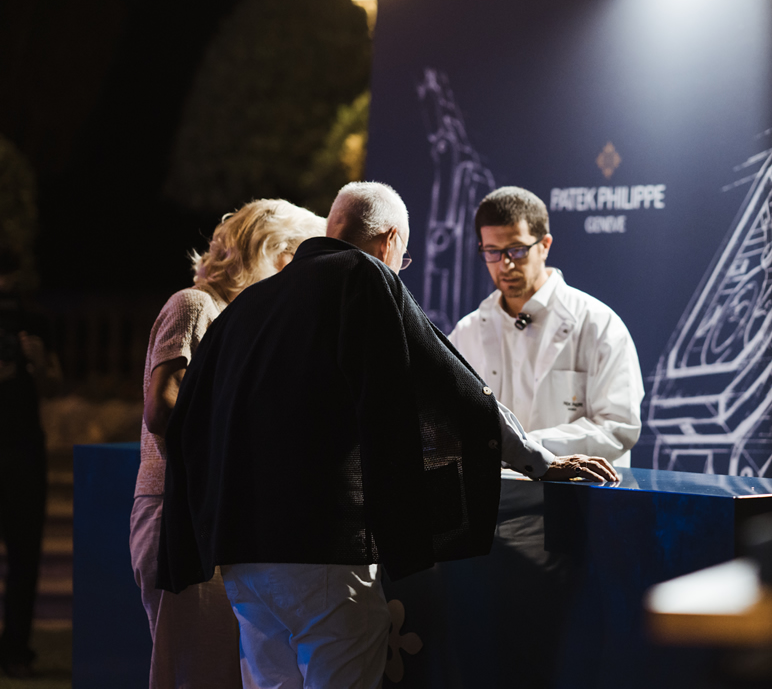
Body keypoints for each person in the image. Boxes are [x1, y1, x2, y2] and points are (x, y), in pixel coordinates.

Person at [157, 181, 616, 689]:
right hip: (324, 549)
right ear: (390, 239)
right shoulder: (364, 276)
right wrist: (539, 460)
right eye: (404, 255)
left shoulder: (248, 303)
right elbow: (450, 385)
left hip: (240, 554)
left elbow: (187, 420)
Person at [131, 199, 326, 689]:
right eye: (304, 256)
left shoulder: (248, 319)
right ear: (277, 253)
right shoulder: (197, 304)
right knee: (194, 669)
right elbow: (163, 408)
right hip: (180, 515)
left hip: (214, 515)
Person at [450, 186, 644, 467]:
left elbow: (618, 427)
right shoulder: (466, 332)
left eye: (517, 250)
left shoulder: (598, 324)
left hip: (576, 499)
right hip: (496, 500)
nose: (505, 265)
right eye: (492, 251)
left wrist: (524, 447)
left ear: (544, 246)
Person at [0, 245, 62, 678]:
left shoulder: (32, 320)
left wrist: (37, 362)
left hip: (23, 445)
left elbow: (54, 386)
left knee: (25, 552)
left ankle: (16, 649)